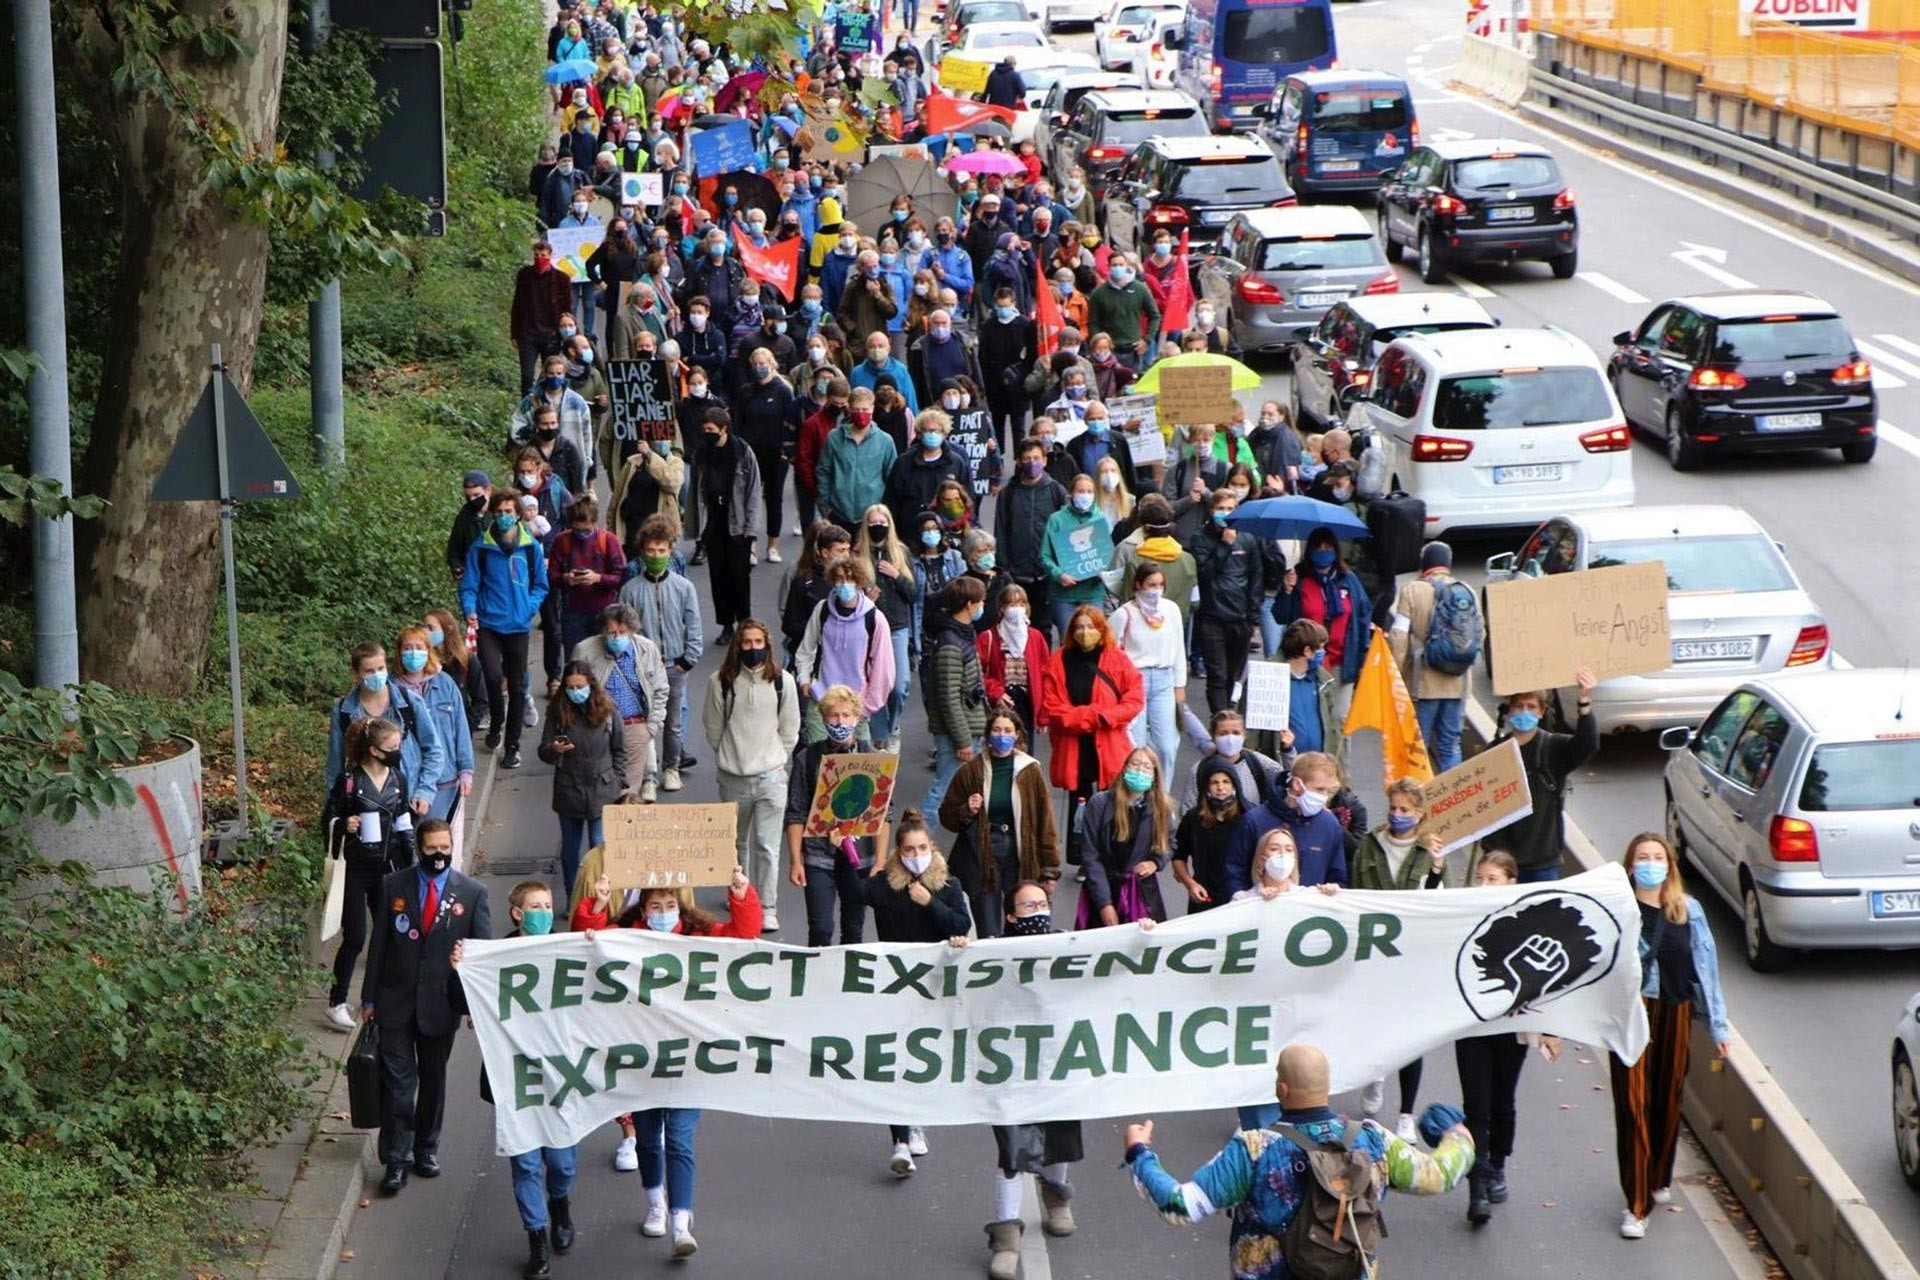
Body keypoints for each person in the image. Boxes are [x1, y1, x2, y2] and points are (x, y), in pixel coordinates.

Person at [1123, 1043, 1474, 1280]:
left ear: (1282, 1090)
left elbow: (1181, 1206)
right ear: (1328, 1085)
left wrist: (1140, 1155)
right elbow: (1439, 1174)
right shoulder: (1374, 1139)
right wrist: (1458, 1136)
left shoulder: (1254, 1148)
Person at [571, 866, 763, 1258]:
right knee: (648, 1139)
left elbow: (743, 936)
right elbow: (585, 940)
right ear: (643, 907)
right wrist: (598, 908)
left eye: (670, 904)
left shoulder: (697, 934)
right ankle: (655, 1201)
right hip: (640, 1058)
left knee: (678, 1137)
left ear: (681, 906)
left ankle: (680, 1219)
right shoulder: (626, 937)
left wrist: (742, 895)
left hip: (688, 1057)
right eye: (656, 904)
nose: (663, 911)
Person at [361, 819, 490, 1195]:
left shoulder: (472, 893)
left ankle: (426, 1149)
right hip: (395, 1001)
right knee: (400, 1085)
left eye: (444, 849)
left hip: (441, 1005)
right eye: (432, 849)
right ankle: (396, 1159)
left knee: (433, 1082)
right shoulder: (393, 885)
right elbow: (379, 945)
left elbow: (481, 955)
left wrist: (474, 1004)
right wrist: (369, 997)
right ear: (419, 847)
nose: (439, 855)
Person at [1613, 832, 1732, 1240]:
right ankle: (1637, 1203)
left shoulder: (1689, 911)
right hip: (1629, 1016)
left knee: (1667, 1098)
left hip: (1676, 1012)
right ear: (1630, 866)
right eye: (1642, 857)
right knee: (1633, 1106)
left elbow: (1707, 969)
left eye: (1657, 857)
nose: (1650, 863)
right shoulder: (1616, 910)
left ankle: (1658, 1173)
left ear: (1669, 865)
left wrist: (1718, 1025)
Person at [460, 881, 577, 1278]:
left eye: (548, 905)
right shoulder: (493, 959)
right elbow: (461, 999)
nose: (545, 912)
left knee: (560, 1162)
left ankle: (559, 1202)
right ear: (517, 913)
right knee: (526, 1164)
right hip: (515, 1081)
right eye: (536, 906)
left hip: (560, 1078)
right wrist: (462, 969)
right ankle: (537, 1238)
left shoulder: (571, 951)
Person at [978, 880, 1085, 1279]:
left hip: (1057, 1060)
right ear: (1010, 916)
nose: (1037, 912)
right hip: (1010, 1064)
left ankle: (1056, 1195)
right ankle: (1006, 1237)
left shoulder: (1068, 944)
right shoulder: (992, 953)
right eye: (1027, 906)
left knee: (1060, 1136)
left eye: (1041, 904)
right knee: (1011, 1149)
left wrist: (1141, 931)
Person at [1453, 851, 1563, 1227]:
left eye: (1493, 879)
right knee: (1477, 1106)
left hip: (1511, 1029)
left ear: (1511, 883)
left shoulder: (1529, 924)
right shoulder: (1464, 916)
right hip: (1473, 1030)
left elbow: (1549, 981)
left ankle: (1498, 1163)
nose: (1484, 885)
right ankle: (1477, 1185)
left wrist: (1551, 1029)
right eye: (1480, 878)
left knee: (1503, 1101)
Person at [864, 810, 972, 1176]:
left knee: (923, 1058)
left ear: (932, 848)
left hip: (934, 987)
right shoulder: (884, 885)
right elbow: (853, 892)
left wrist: (930, 903)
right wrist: (844, 849)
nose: (916, 854)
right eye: (909, 848)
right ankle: (899, 1139)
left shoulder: (948, 885)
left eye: (922, 847)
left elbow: (961, 924)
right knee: (896, 1060)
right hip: (896, 986)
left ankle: (917, 1120)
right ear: (898, 851)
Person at [1349, 778, 1447, 1140]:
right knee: (1374, 1024)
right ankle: (1375, 1075)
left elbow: (1439, 903)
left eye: (1406, 809)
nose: (1398, 815)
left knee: (1411, 1034)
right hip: (1374, 952)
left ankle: (1406, 1111)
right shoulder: (1370, 846)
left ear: (1420, 814)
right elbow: (1354, 892)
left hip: (1411, 957)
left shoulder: (1428, 853)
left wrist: (1437, 868)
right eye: (1393, 808)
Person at [702, 621, 801, 932]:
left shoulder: (783, 682)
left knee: (768, 846)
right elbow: (713, 729)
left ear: (768, 645)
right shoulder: (719, 682)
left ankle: (768, 907)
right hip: (733, 777)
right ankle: (740, 898)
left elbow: (790, 729)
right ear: (737, 646)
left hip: (771, 777)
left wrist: (776, 761)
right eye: (746, 642)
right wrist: (730, 757)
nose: (753, 648)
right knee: (736, 844)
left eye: (759, 641)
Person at [320, 717, 416, 1030]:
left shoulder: (398, 778)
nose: (397, 752)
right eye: (392, 748)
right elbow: (330, 819)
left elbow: (403, 819)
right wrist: (344, 825)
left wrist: (411, 859)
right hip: (356, 868)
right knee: (356, 937)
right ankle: (337, 1001)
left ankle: (379, 994)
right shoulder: (350, 781)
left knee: (388, 933)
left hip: (386, 866)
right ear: (374, 750)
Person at [938, 704, 1060, 936]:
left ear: (1017, 735)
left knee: (1022, 910)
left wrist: (1050, 870)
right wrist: (967, 810)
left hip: (1019, 848)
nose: (1002, 736)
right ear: (988, 735)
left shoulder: (1030, 771)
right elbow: (947, 817)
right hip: (984, 852)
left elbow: (1046, 823)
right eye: (996, 730)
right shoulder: (971, 771)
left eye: (1007, 730)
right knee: (986, 917)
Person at [785, 684, 891, 946]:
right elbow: (796, 813)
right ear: (824, 719)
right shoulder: (807, 759)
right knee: (821, 928)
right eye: (834, 715)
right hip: (819, 856)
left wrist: (879, 861)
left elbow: (884, 814)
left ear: (856, 718)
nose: (840, 721)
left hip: (860, 858)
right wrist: (796, 860)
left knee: (854, 930)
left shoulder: (873, 758)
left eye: (845, 715)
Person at [1040, 605, 1145, 869]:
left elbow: (1134, 699)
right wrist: (1097, 716)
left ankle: (1113, 856)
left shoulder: (1117, 659)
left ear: (1101, 630)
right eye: (1079, 627)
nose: (1085, 632)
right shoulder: (1058, 660)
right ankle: (1085, 859)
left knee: (1112, 803)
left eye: (1091, 627)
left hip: (1108, 746)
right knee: (1081, 804)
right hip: (1075, 748)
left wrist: (1104, 717)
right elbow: (1054, 709)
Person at [1481, 667, 1600, 883]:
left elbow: (1586, 745)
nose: (1524, 712)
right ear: (1509, 711)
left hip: (1541, 863)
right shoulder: (1494, 752)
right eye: (1519, 706)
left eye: (1531, 707)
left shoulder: (1553, 747)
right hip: (1500, 865)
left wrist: (1584, 702)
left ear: (1541, 712)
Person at [461, 491, 549, 770]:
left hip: (518, 626)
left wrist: (528, 607)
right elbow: (469, 585)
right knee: (492, 675)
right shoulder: (481, 548)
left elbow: (540, 585)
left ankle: (512, 746)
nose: (503, 516)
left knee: (518, 683)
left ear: (519, 513)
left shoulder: (530, 547)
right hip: (489, 623)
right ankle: (496, 723)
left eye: (508, 511)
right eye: (498, 512)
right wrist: (470, 609)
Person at [616, 516, 703, 792]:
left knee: (673, 722)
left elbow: (694, 624)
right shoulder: (630, 590)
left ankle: (671, 767)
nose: (656, 555)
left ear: (670, 551)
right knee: (646, 723)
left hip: (675, 665)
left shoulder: (683, 587)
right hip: (643, 668)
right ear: (642, 551)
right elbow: (624, 630)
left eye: (662, 550)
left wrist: (688, 659)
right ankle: (649, 776)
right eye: (651, 551)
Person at [325, 641, 447, 827]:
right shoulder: (344, 711)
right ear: (356, 673)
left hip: (407, 801)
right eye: (369, 671)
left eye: (380, 668)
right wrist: (338, 811)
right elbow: (336, 763)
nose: (377, 675)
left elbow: (433, 750)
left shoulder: (409, 702)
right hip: (364, 806)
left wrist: (424, 791)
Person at [537, 662, 628, 899]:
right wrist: (555, 749)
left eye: (580, 686)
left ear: (591, 685)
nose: (575, 691)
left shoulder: (608, 710)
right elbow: (543, 752)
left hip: (603, 789)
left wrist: (617, 781)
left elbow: (619, 749)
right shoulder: (557, 712)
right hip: (570, 790)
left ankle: (602, 898)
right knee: (570, 851)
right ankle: (574, 898)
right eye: (570, 687)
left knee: (598, 849)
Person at [1273, 525, 1371, 725]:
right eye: (1319, 548)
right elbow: (1281, 617)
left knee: (1341, 721)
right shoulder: (1299, 578)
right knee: (1312, 718)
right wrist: (1287, 591)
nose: (1324, 553)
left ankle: (1339, 758)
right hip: (1307, 659)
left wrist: (1362, 658)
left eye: (1328, 548)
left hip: (1343, 662)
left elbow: (1362, 618)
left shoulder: (1348, 579)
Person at [794, 557, 898, 745]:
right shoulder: (822, 610)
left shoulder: (874, 618)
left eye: (849, 579)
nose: (844, 584)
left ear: (859, 582)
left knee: (858, 769)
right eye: (839, 579)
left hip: (856, 707)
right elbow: (806, 649)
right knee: (820, 766)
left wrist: (867, 708)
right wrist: (805, 680)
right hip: (822, 702)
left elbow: (884, 670)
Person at [571, 603, 668, 804]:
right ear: (602, 632)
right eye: (611, 632)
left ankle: (622, 830)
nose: (616, 637)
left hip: (635, 726)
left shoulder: (647, 649)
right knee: (601, 786)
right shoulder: (585, 650)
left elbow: (660, 689)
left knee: (628, 793)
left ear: (632, 631)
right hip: (599, 728)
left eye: (622, 632)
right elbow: (574, 689)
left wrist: (651, 728)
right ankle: (601, 830)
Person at [390, 625, 473, 841]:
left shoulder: (445, 683)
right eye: (408, 648)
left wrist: (466, 769)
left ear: (428, 650)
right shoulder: (391, 689)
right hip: (407, 781)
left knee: (437, 841)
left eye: (419, 647)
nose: (414, 653)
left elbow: (460, 727)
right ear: (399, 653)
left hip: (445, 779)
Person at [1225, 749, 1348, 894]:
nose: (1324, 797)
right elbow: (1234, 875)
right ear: (1297, 784)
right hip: (1262, 911)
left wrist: (1334, 889)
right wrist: (1248, 898)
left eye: (1329, 791)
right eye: (1319, 789)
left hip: (1309, 913)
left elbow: (1338, 876)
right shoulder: (1254, 821)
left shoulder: (1329, 825)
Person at [1192, 486, 1270, 714]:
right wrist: (1224, 546)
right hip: (1212, 617)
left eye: (1230, 509)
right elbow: (1204, 573)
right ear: (1211, 510)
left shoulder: (1248, 537)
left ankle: (1228, 713)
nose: (1224, 513)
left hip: (1240, 618)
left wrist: (1253, 616)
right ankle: (1221, 720)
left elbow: (1256, 577)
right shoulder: (1200, 538)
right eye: (1220, 508)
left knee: (1233, 674)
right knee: (1217, 674)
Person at [1110, 562, 1186, 790]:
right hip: (1134, 681)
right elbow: (1110, 653)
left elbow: (1178, 647)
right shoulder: (1123, 614)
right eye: (1151, 585)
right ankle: (1131, 794)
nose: (1156, 590)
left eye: (1161, 585)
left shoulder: (1171, 610)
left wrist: (1179, 684)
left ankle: (1161, 794)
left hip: (1164, 679)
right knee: (1135, 743)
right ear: (1138, 585)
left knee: (1167, 745)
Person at [1079, 745, 1172, 926]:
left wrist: (1156, 862)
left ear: (1155, 775)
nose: (1139, 771)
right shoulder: (1100, 803)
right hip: (1103, 887)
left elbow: (1170, 841)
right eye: (1134, 764)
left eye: (1146, 767)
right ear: (1124, 768)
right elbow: (1090, 855)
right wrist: (1104, 903)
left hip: (1141, 892)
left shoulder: (1162, 808)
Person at [921, 576, 990, 814]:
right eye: (981, 601)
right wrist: (962, 740)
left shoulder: (960, 635)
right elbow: (949, 698)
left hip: (967, 729)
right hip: (959, 734)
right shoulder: (951, 644)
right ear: (969, 604)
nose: (983, 606)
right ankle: (922, 837)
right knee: (943, 790)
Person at [696, 407, 763, 645]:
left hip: (737, 525)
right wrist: (697, 529)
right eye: (704, 430)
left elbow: (753, 492)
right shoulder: (702, 453)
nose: (707, 434)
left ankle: (744, 623)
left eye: (711, 430)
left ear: (724, 429)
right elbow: (697, 491)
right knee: (718, 577)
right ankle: (726, 624)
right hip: (714, 522)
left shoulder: (743, 452)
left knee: (739, 577)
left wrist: (751, 530)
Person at [856, 504, 918, 750]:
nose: (878, 528)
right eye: (873, 524)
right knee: (875, 682)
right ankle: (880, 734)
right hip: (869, 628)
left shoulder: (900, 553)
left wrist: (897, 575)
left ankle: (893, 726)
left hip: (897, 627)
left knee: (900, 684)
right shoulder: (859, 554)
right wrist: (865, 599)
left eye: (883, 523)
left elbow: (913, 594)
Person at [547, 494, 627, 664]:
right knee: (576, 662)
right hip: (573, 613)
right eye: (577, 530)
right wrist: (567, 578)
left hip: (605, 611)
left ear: (594, 523)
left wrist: (598, 578)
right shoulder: (562, 541)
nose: (582, 534)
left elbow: (621, 576)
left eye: (586, 530)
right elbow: (552, 576)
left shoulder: (608, 540)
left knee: (608, 661)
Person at [1175, 708, 1285, 818]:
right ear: (1213, 736)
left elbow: (1286, 778)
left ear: (1244, 735)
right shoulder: (1199, 770)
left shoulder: (1258, 763)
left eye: (1236, 733)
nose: (1230, 738)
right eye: (1223, 734)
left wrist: (1287, 750)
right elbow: (1188, 811)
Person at [1038, 473, 1110, 640]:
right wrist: (1059, 574)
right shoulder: (1056, 520)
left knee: (1095, 640)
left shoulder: (1100, 519)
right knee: (1069, 642)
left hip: (1092, 592)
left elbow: (1106, 555)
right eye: (1081, 491)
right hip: (1064, 595)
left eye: (1089, 491)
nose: (1085, 495)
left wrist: (1105, 572)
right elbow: (1044, 556)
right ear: (1071, 494)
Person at [1172, 759, 1245, 915]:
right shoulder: (1193, 818)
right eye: (1214, 783)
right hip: (1204, 899)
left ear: (1234, 785)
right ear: (1206, 788)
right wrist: (1190, 884)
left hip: (1240, 899)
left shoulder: (1248, 817)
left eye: (1226, 782)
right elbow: (1178, 857)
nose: (1221, 788)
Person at [977, 582, 1048, 737]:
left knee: (1026, 753)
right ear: (1002, 607)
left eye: (1021, 604)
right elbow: (977, 673)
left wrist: (1042, 716)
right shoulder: (988, 637)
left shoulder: (1035, 637)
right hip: (1002, 701)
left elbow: (1045, 675)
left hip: (1027, 702)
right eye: (1012, 604)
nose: (1017, 609)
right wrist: (996, 692)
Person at [512, 240, 574, 393]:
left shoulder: (562, 279)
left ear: (551, 256)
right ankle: (526, 408)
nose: (539, 258)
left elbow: (567, 309)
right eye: (536, 255)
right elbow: (517, 304)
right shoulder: (525, 275)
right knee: (526, 375)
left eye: (543, 255)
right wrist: (514, 333)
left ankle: (548, 407)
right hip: (528, 334)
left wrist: (565, 334)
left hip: (551, 335)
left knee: (550, 375)